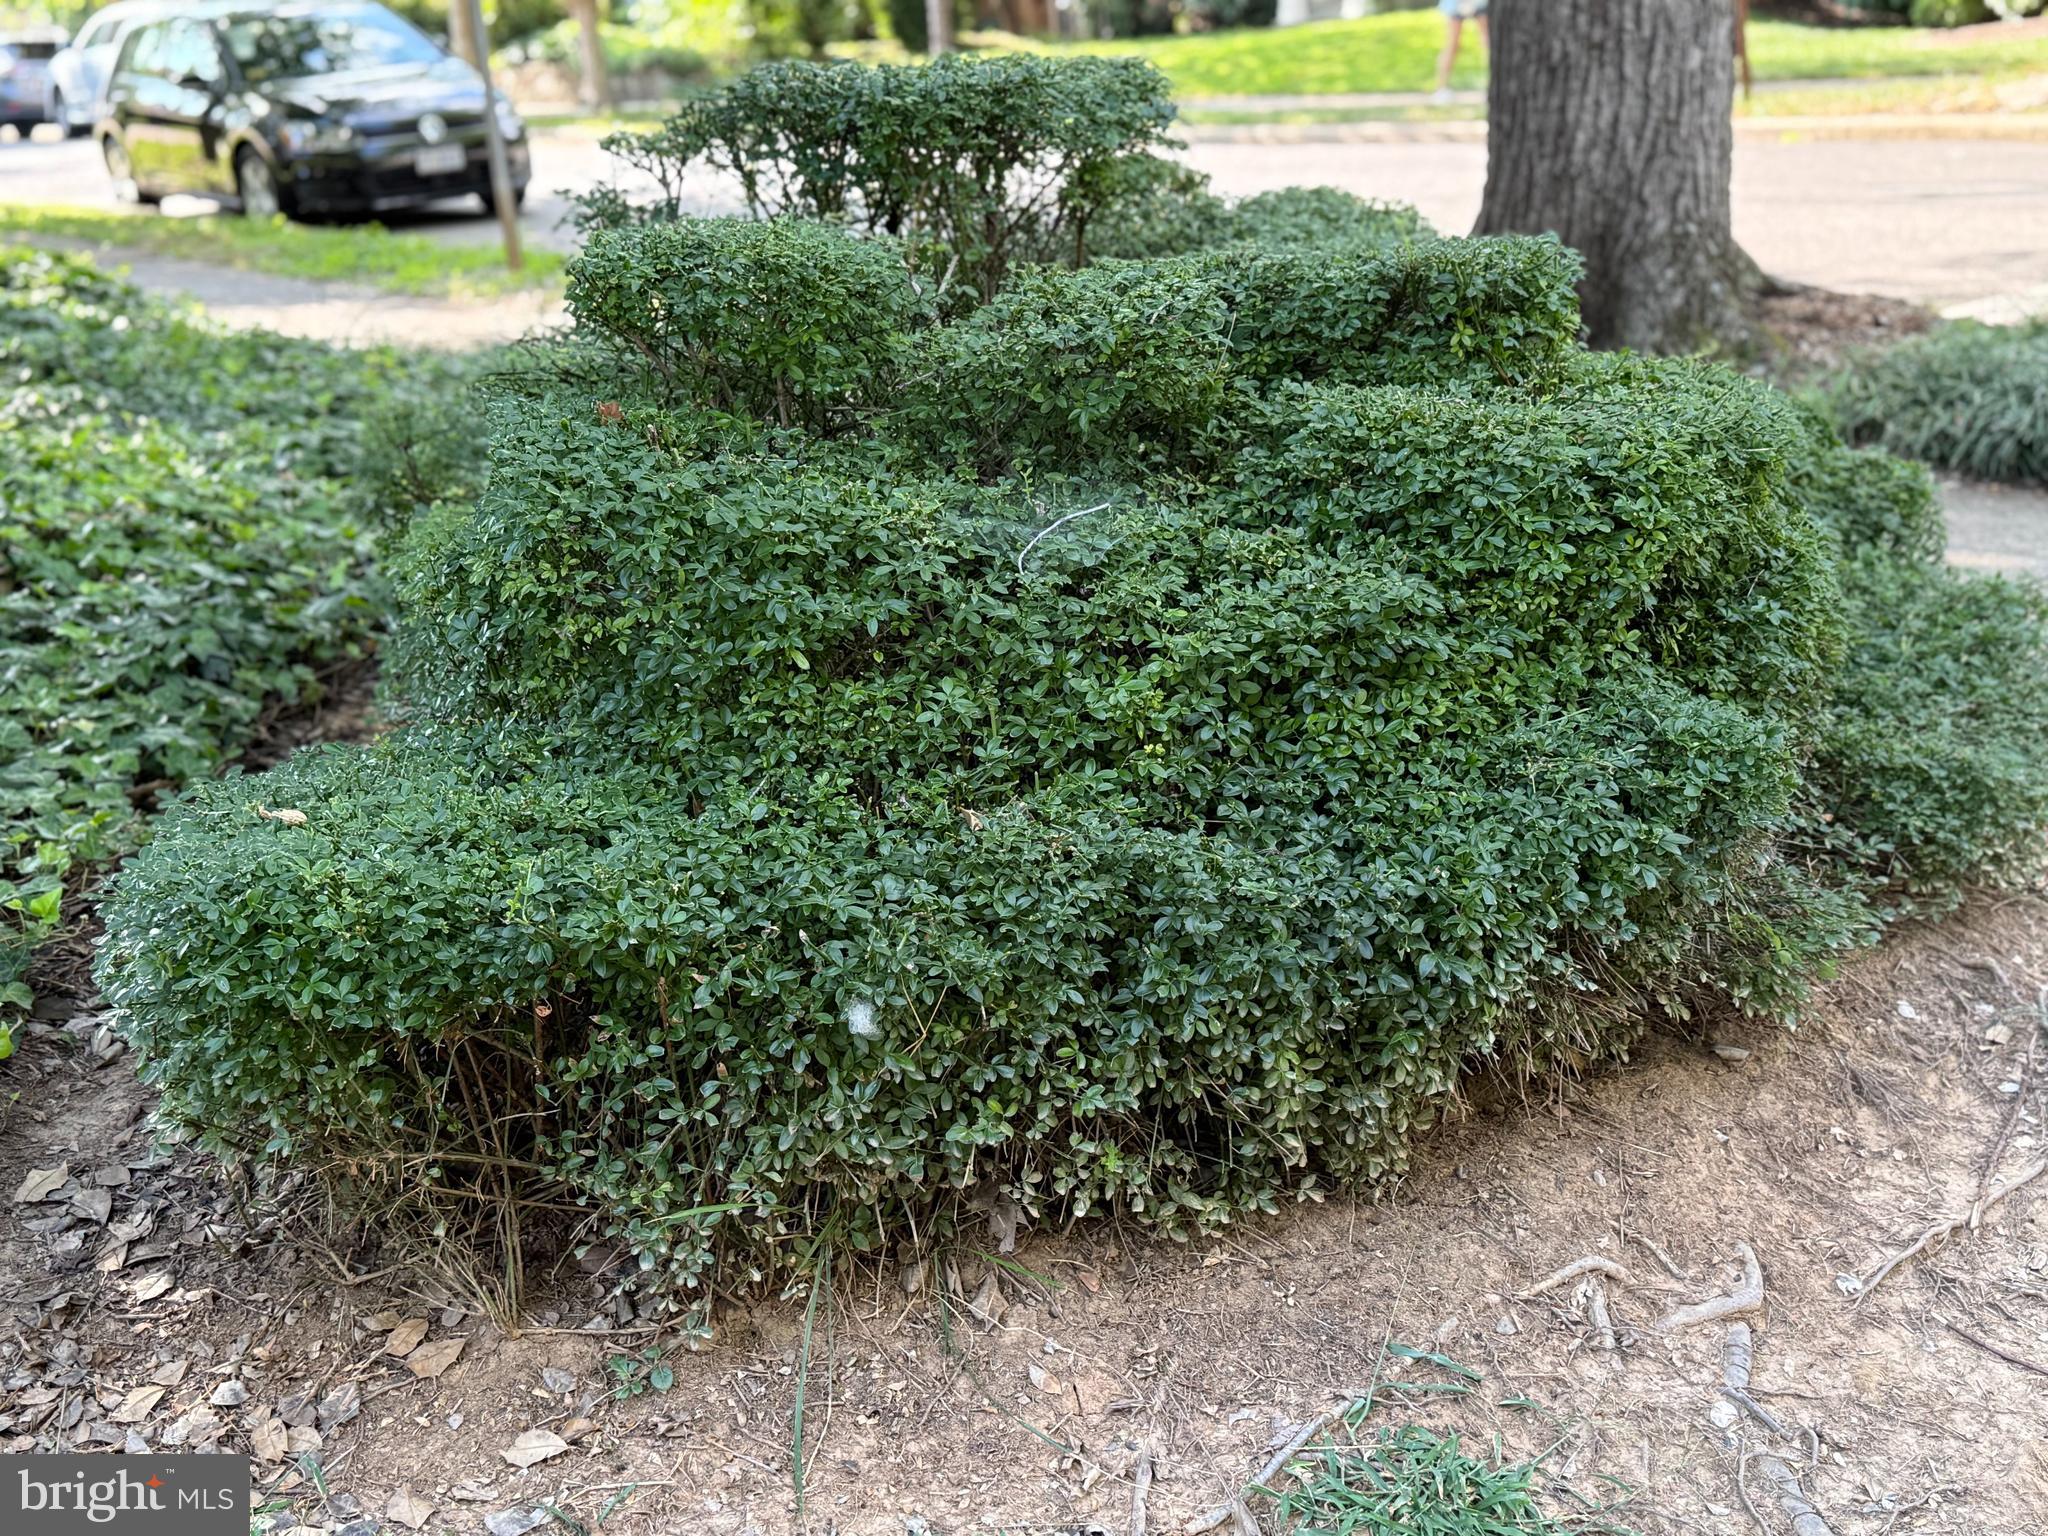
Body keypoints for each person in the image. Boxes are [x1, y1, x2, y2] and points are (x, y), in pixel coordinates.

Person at [1433, 0, 1487, 105]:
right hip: (1455, 3)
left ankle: (1494, 84)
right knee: (1452, 44)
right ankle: (1441, 88)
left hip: (1479, 2)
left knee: (1487, 42)